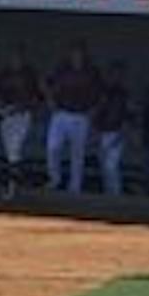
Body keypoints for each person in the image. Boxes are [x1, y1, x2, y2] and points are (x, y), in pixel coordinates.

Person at [45, 48, 96, 195]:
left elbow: (99, 95)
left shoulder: (91, 72)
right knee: (52, 147)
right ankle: (55, 179)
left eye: (79, 54)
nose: (77, 57)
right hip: (61, 113)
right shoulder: (62, 70)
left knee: (77, 154)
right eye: (74, 54)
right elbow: (45, 82)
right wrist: (50, 101)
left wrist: (91, 114)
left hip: (80, 115)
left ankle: (75, 187)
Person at [0, 52, 42, 197]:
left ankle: (12, 188)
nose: (16, 61)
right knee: (11, 154)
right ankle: (17, 183)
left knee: (14, 151)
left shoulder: (29, 74)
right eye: (13, 58)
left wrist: (17, 108)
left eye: (18, 58)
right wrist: (0, 110)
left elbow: (36, 98)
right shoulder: (5, 74)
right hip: (7, 117)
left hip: (22, 116)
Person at [93, 64, 131, 197]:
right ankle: (108, 195)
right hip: (103, 133)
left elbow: (128, 117)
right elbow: (98, 113)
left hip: (116, 133)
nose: (115, 77)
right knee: (104, 168)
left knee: (111, 167)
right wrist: (96, 133)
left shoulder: (125, 94)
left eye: (118, 74)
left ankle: (116, 195)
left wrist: (121, 135)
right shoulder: (104, 93)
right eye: (113, 73)